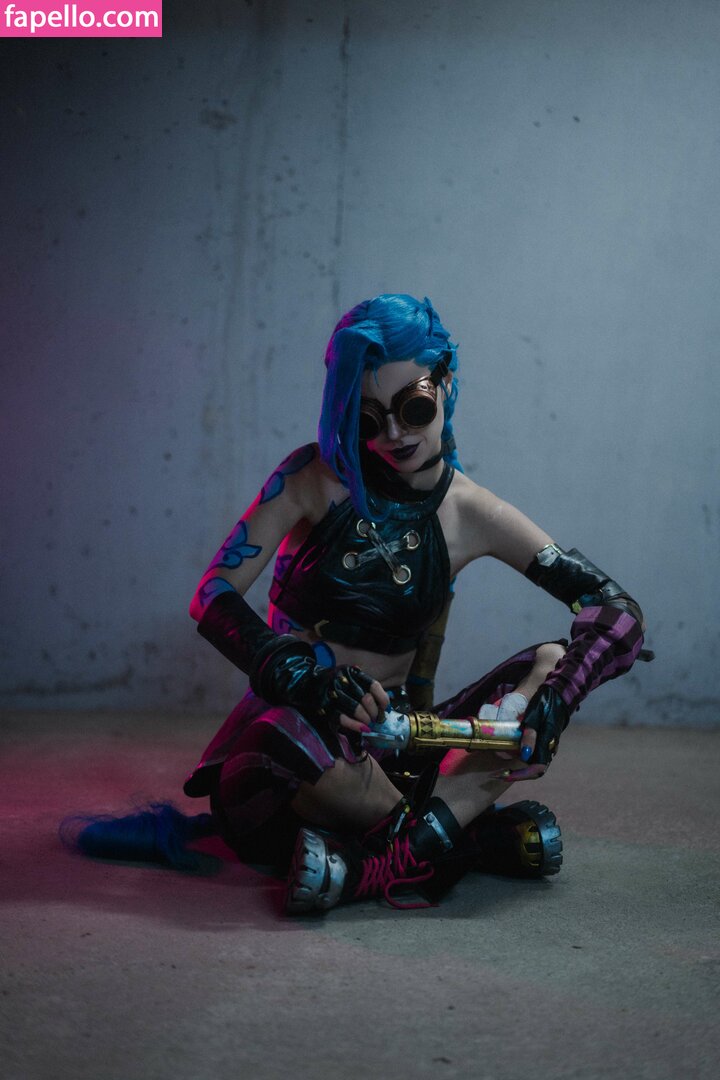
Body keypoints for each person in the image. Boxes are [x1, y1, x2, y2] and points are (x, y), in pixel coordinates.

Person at [182, 293, 646, 912]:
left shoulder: (471, 511)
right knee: (283, 738)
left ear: (446, 384)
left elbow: (616, 611)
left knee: (550, 663)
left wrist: (557, 702)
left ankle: (372, 866)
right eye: (368, 420)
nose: (395, 434)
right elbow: (212, 595)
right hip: (301, 753)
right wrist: (303, 678)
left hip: (405, 747)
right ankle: (454, 840)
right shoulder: (311, 480)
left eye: (414, 407)